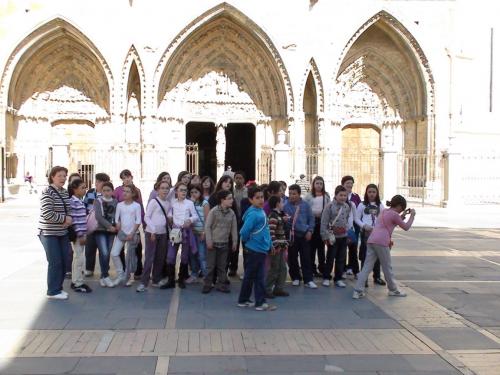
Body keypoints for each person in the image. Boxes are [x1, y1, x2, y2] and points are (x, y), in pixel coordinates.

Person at [353, 195, 416, 299]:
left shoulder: (384, 211)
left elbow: (391, 222)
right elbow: (406, 227)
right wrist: (412, 215)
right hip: (382, 242)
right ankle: (393, 290)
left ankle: (357, 290)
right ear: (399, 206)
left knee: (367, 267)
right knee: (387, 267)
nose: (402, 211)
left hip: (371, 240)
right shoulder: (395, 215)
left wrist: (402, 216)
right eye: (402, 208)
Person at [238, 186, 276, 311]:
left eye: (262, 197)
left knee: (250, 276)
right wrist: (250, 242)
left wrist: (269, 244)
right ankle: (260, 302)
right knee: (259, 277)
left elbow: (265, 231)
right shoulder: (254, 214)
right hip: (255, 250)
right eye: (257, 198)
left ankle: (243, 300)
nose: (260, 200)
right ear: (250, 199)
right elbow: (244, 231)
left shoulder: (260, 211)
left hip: (260, 249)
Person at [38, 166, 72, 300]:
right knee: (55, 261)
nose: (63, 179)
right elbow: (47, 213)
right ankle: (52, 291)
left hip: (62, 232)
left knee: (64, 260)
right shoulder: (47, 191)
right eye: (60, 176)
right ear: (52, 176)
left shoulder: (64, 192)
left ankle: (58, 287)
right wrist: (64, 219)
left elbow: (68, 209)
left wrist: (68, 220)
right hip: (48, 233)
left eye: (65, 176)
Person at [163, 182, 198, 289]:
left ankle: (181, 279)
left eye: (185, 190)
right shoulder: (172, 203)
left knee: (184, 256)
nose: (183, 192)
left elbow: (195, 216)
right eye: (181, 190)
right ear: (176, 191)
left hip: (186, 232)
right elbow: (169, 213)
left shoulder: (190, 203)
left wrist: (190, 220)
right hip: (175, 231)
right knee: (170, 256)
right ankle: (170, 280)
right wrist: (170, 217)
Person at [137, 181, 171, 292]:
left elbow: (168, 215)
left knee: (160, 258)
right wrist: (153, 230)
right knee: (149, 258)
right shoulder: (154, 201)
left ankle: (156, 279)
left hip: (163, 234)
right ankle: (143, 283)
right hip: (152, 234)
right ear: (158, 189)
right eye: (163, 188)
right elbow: (147, 217)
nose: (165, 190)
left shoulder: (168, 203)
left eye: (167, 188)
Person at [203, 190, 238, 294]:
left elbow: (234, 228)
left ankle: (221, 284)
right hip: (213, 244)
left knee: (222, 266)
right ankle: (207, 284)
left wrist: (235, 242)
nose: (232, 200)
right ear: (222, 200)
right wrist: (209, 241)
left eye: (232, 198)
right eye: (229, 198)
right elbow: (208, 227)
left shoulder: (231, 213)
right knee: (210, 266)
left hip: (224, 244)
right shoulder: (213, 211)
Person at [283, 184, 317, 289]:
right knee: (292, 257)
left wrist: (310, 231)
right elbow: (285, 222)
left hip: (304, 235)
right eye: (290, 194)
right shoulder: (286, 206)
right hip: (292, 236)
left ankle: (308, 279)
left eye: (294, 193)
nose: (292, 196)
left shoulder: (305, 205)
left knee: (306, 257)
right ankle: (295, 277)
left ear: (299, 194)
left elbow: (311, 219)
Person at [320, 185, 352, 288]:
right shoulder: (329, 206)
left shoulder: (347, 207)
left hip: (343, 236)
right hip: (332, 237)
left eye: (345, 195)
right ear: (336, 195)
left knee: (341, 258)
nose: (343, 197)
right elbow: (324, 222)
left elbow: (346, 220)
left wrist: (346, 230)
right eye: (341, 195)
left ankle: (338, 278)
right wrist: (325, 237)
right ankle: (326, 277)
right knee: (330, 258)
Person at [114, 169, 145, 278]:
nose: (126, 179)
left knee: (137, 248)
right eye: (123, 177)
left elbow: (140, 206)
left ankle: (138, 270)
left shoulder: (137, 190)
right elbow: (115, 206)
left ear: (132, 177)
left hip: (135, 226)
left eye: (128, 177)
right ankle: (123, 270)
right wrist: (117, 223)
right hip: (122, 225)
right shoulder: (117, 190)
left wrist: (142, 221)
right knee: (121, 249)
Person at [355, 184, 386, 287]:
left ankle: (376, 276)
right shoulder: (362, 205)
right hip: (366, 233)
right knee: (365, 256)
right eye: (369, 192)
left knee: (377, 256)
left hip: (377, 234)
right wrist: (364, 226)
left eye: (373, 192)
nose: (371, 194)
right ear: (366, 193)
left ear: (377, 193)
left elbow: (384, 219)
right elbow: (357, 218)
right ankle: (364, 279)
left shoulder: (380, 205)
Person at [111, 184, 142, 287]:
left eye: (127, 191)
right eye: (124, 191)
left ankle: (131, 277)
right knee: (114, 253)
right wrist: (118, 223)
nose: (124, 193)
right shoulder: (120, 205)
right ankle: (121, 274)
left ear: (133, 194)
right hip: (122, 233)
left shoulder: (136, 206)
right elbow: (116, 218)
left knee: (131, 256)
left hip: (132, 234)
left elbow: (138, 220)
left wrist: (132, 233)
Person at [83, 173, 111, 277]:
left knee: (103, 249)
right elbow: (84, 205)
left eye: (99, 182)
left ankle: (105, 269)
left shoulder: (107, 195)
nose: (97, 183)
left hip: (102, 227)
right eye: (97, 181)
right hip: (90, 225)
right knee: (89, 248)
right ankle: (89, 268)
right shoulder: (90, 192)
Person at [68, 179, 92, 293]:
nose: (84, 190)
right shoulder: (73, 202)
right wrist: (80, 235)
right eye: (82, 188)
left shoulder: (79, 201)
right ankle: (78, 282)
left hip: (82, 234)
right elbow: (75, 220)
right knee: (79, 259)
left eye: (85, 187)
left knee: (77, 258)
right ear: (75, 189)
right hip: (79, 235)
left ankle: (76, 280)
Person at [304, 176, 330, 278]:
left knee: (321, 247)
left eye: (321, 183)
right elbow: (305, 208)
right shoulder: (309, 196)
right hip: (312, 223)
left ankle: (322, 268)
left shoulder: (326, 196)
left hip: (322, 223)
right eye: (317, 183)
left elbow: (329, 209)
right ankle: (312, 268)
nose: (319, 185)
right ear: (313, 184)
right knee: (311, 247)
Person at [93, 181, 117, 288]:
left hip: (112, 231)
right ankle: (106, 275)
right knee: (104, 252)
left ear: (112, 191)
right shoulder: (97, 201)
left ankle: (103, 277)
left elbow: (117, 215)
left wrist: (115, 226)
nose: (106, 193)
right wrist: (109, 226)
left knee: (107, 252)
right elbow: (98, 216)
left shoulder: (116, 201)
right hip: (100, 230)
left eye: (108, 190)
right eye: (104, 190)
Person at [265, 196, 289, 298]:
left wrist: (283, 220)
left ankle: (279, 288)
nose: (283, 204)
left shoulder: (278, 215)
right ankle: (267, 289)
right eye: (282, 202)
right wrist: (275, 245)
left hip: (281, 246)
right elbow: (271, 232)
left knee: (282, 268)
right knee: (274, 268)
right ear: (277, 204)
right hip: (277, 247)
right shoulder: (273, 216)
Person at [187, 184, 209, 283]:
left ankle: (206, 276)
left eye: (196, 192)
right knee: (192, 254)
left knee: (202, 255)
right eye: (191, 192)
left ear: (200, 193)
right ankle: (194, 274)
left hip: (201, 233)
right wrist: (190, 203)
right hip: (192, 234)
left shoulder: (204, 203)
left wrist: (204, 232)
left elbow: (207, 219)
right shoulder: (188, 203)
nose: (194, 194)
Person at [342, 175, 361, 277]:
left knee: (353, 248)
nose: (349, 185)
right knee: (343, 249)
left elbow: (358, 212)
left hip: (354, 226)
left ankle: (352, 268)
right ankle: (343, 269)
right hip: (342, 227)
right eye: (347, 183)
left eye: (351, 183)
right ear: (343, 184)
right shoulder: (340, 195)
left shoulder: (356, 196)